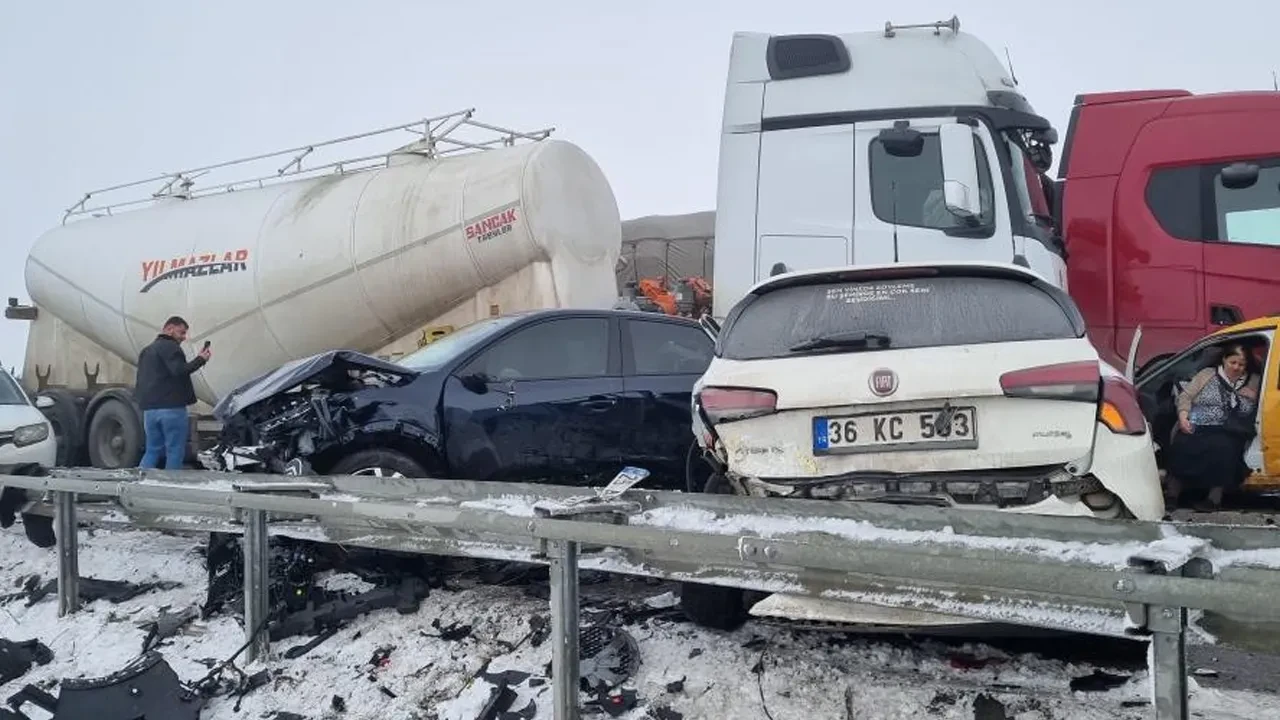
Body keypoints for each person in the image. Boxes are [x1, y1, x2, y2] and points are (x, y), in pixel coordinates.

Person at [1164, 343, 1261, 510]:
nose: (1237, 367)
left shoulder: (1253, 380)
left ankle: (1213, 500)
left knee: (1224, 448)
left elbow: (1257, 409)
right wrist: (1183, 416)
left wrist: (1253, 397)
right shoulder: (1207, 375)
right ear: (1224, 360)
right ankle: (1172, 495)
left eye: (1241, 364)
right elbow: (1185, 397)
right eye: (1233, 362)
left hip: (1229, 429)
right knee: (1183, 445)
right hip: (1199, 424)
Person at [135, 316, 212, 469]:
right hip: (171, 409)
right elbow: (179, 370)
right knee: (174, 450)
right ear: (169, 329)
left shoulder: (146, 350)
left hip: (149, 411)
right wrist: (201, 359)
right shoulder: (171, 347)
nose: (184, 337)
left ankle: (140, 485)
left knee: (152, 450)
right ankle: (170, 486)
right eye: (181, 333)